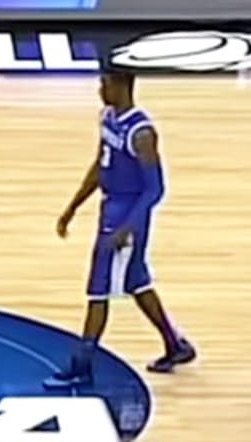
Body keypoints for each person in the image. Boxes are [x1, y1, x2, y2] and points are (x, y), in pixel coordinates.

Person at [46, 73, 196, 386]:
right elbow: (100, 167)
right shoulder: (108, 118)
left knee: (98, 289)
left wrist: (126, 228)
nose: (100, 90)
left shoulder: (141, 133)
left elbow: (155, 189)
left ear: (122, 87)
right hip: (110, 209)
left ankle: (82, 365)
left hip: (126, 219)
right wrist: (73, 206)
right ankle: (174, 345)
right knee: (136, 281)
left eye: (105, 85)